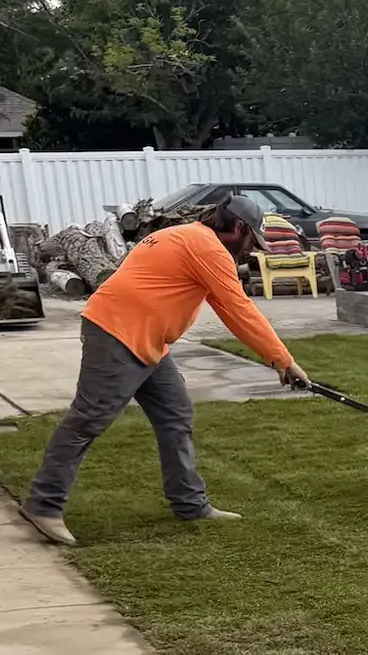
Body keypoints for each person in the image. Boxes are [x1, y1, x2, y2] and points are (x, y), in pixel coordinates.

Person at [21, 195, 309, 547]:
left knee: (175, 414)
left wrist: (278, 359)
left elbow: (224, 305)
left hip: (148, 338)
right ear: (237, 228)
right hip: (117, 333)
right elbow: (239, 309)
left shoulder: (185, 235)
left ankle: (189, 503)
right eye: (252, 240)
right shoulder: (208, 248)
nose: (251, 250)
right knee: (88, 419)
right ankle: (44, 505)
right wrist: (284, 360)